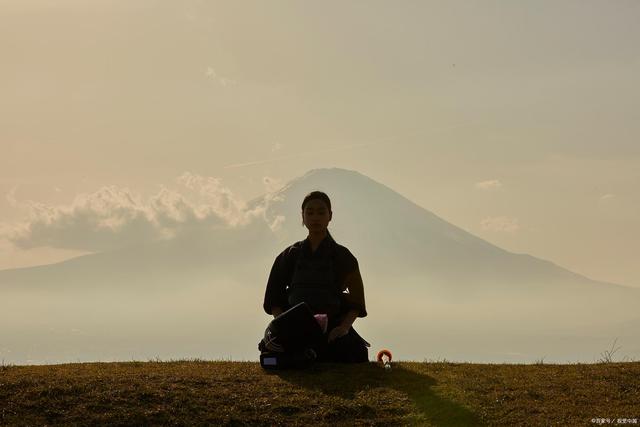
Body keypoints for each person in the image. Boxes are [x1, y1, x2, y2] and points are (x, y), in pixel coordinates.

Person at [261, 190, 370, 364]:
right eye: (310, 213)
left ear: (330, 216)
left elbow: (356, 301)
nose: (315, 217)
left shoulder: (342, 256)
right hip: (295, 325)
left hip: (332, 326)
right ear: (302, 217)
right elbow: (274, 297)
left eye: (321, 212)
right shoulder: (290, 255)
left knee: (354, 352)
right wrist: (284, 327)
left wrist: (343, 328)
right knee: (271, 357)